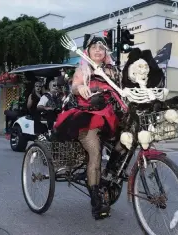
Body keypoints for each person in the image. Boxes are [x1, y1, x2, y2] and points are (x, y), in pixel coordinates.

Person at [53, 36, 126, 220]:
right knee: (94, 152)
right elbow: (75, 86)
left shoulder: (112, 70)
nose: (98, 51)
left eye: (102, 48)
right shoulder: (83, 68)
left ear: (105, 52)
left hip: (111, 114)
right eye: (94, 47)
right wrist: (81, 89)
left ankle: (109, 174)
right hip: (87, 115)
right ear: (88, 51)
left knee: (127, 141)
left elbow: (123, 88)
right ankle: (96, 200)